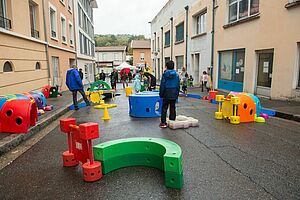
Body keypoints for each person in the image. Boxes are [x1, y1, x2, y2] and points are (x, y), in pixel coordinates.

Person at [159, 61, 180, 128]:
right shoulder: (176, 75)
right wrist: (177, 93)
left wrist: (161, 93)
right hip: (174, 91)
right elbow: (178, 85)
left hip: (166, 92)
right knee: (172, 106)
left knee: (164, 107)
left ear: (166, 66)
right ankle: (172, 121)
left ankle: (163, 123)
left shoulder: (165, 74)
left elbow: (162, 85)